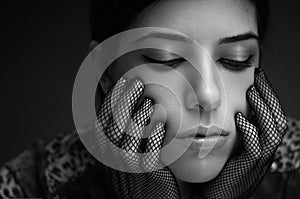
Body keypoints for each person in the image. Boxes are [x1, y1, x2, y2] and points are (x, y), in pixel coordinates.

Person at [0, 0, 300, 198]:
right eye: (166, 58)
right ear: (104, 70)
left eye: (237, 59)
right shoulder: (32, 186)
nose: (208, 95)